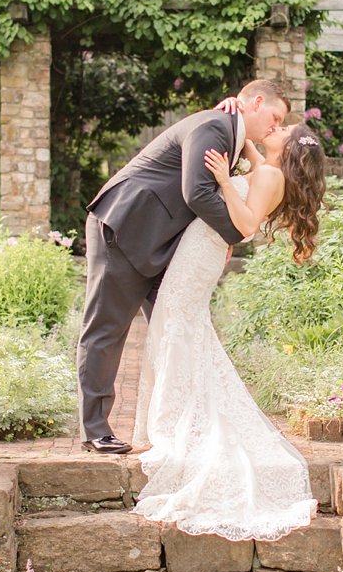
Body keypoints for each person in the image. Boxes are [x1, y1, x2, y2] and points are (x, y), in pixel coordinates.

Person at [130, 118, 327, 541]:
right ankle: (170, 415)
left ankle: (170, 422)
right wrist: (237, 115)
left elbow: (247, 224)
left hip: (203, 252)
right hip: (202, 249)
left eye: (282, 129)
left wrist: (222, 181)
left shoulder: (272, 174)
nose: (273, 129)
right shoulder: (269, 167)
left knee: (179, 325)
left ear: (287, 148)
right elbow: (255, 152)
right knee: (179, 325)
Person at [77, 79, 289, 455]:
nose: (275, 127)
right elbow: (197, 192)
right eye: (275, 117)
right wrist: (233, 236)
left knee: (176, 328)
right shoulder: (214, 126)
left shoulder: (230, 134)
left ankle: (181, 422)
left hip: (159, 242)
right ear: (256, 102)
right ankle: (95, 429)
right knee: (106, 329)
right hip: (124, 226)